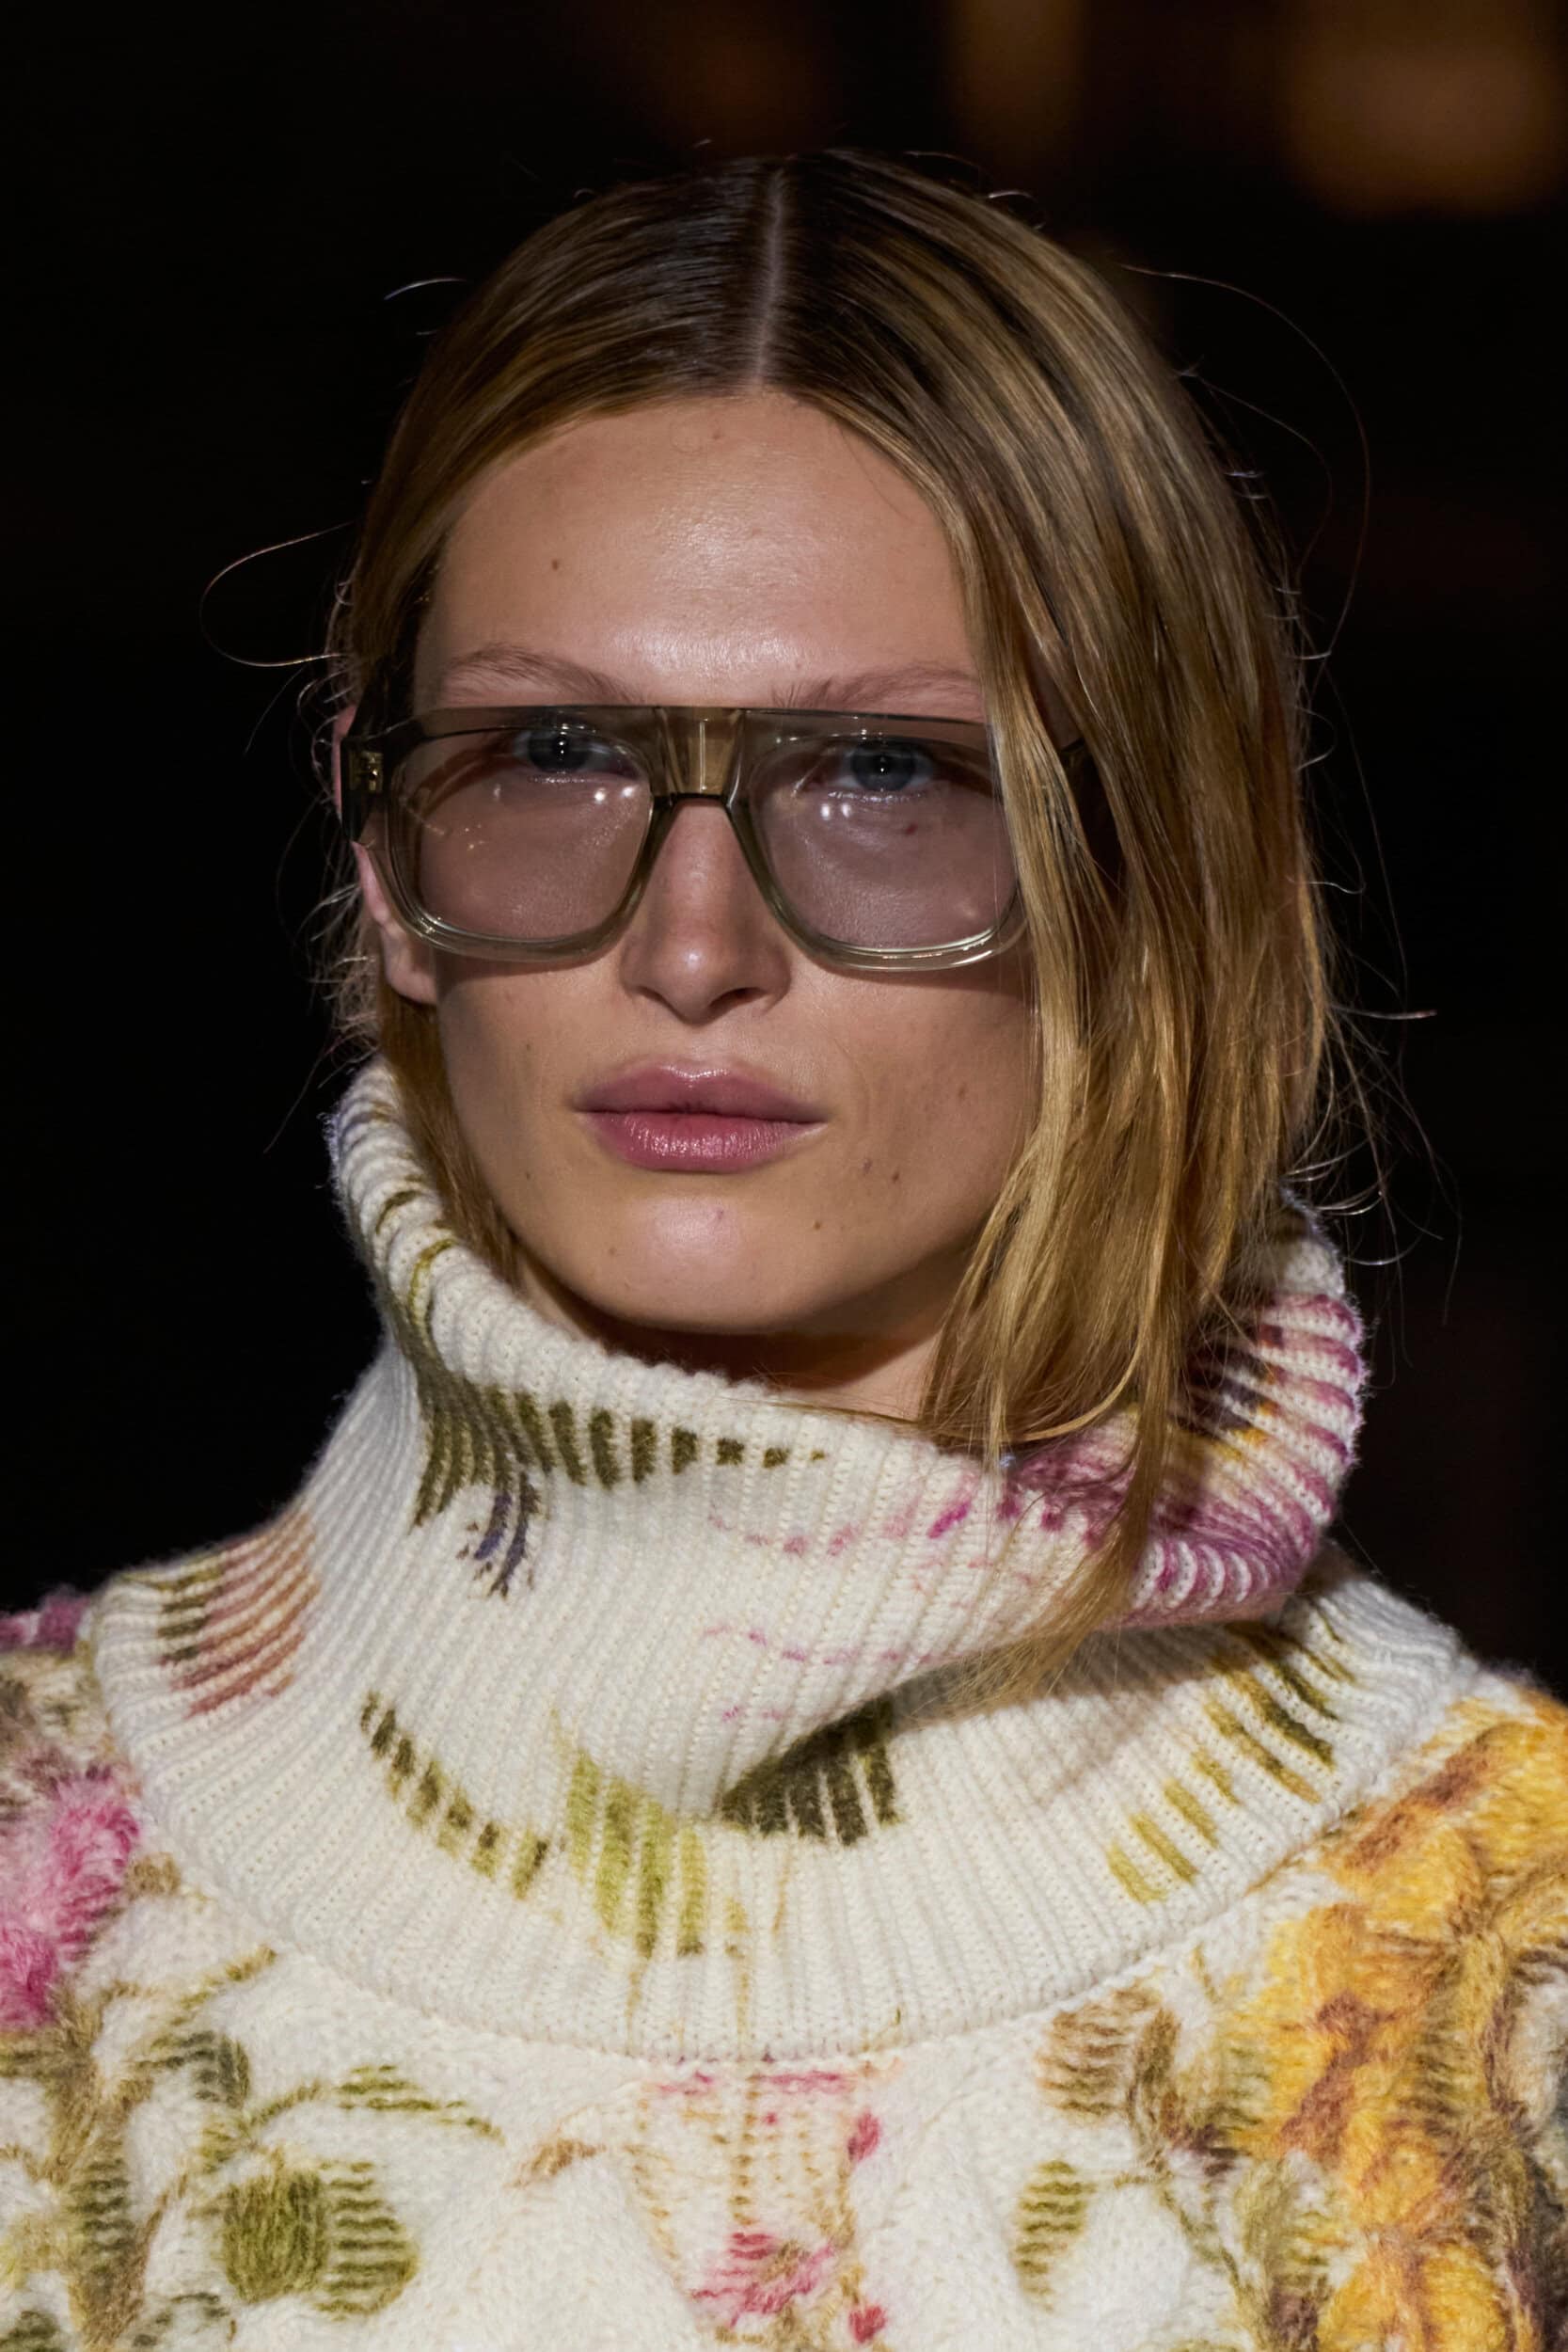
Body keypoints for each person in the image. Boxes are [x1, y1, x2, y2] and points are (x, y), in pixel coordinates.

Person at [2, 149, 1563, 2350]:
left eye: (881, 776)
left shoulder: (1510, 1960)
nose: (692, 941)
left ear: (1155, 870)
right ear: (380, 847)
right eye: (553, 752)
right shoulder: (34, 1863)